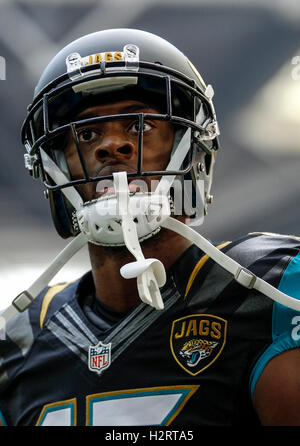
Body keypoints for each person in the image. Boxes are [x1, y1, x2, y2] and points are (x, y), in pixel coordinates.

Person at [0, 28, 300, 427]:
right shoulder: (22, 337)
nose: (111, 146)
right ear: (54, 167)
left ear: (192, 150)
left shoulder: (271, 289)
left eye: (139, 127)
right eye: (87, 134)